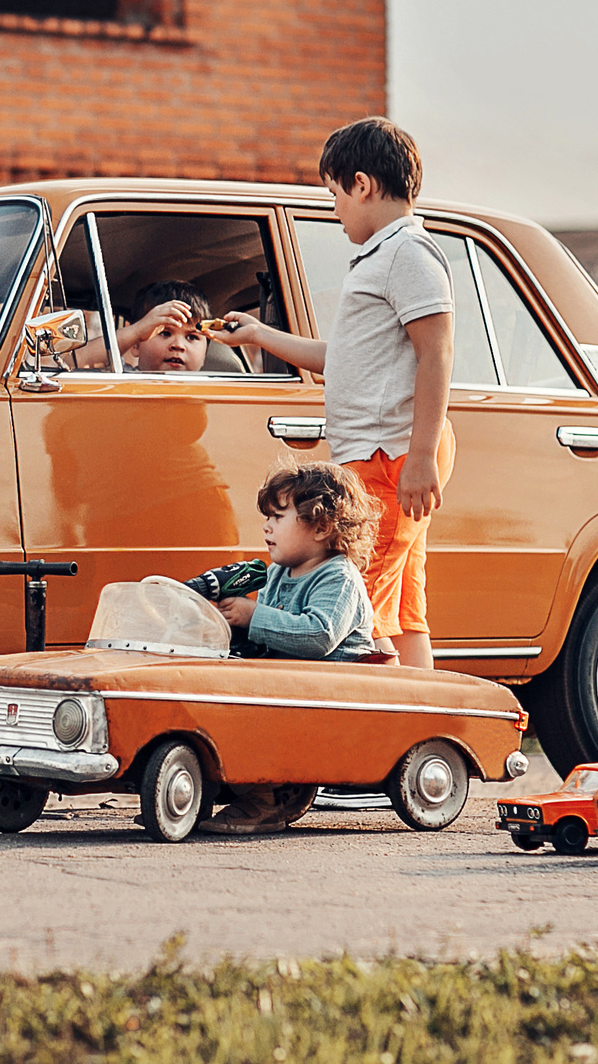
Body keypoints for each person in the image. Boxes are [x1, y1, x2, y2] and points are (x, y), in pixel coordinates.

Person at [218, 119, 454, 670]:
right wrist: (258, 335)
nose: (333, 209)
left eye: (334, 194)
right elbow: (340, 360)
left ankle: (371, 723)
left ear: (363, 184)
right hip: (381, 453)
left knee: (354, 603)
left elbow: (436, 352)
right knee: (402, 611)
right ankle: (421, 718)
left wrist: (419, 457)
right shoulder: (380, 256)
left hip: (389, 455)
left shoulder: (407, 254)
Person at [195, 462, 382, 834]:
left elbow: (318, 636)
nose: (267, 527)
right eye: (267, 517)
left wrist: (254, 617)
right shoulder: (280, 571)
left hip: (328, 696)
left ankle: (264, 800)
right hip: (290, 686)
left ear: (321, 526)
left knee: (250, 713)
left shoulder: (338, 576)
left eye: (278, 517)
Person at [67, 279, 220, 373]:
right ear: (136, 345)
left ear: (206, 352)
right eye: (165, 333)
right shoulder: (122, 377)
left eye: (191, 337)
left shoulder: (217, 392)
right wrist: (135, 332)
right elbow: (71, 362)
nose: (178, 346)